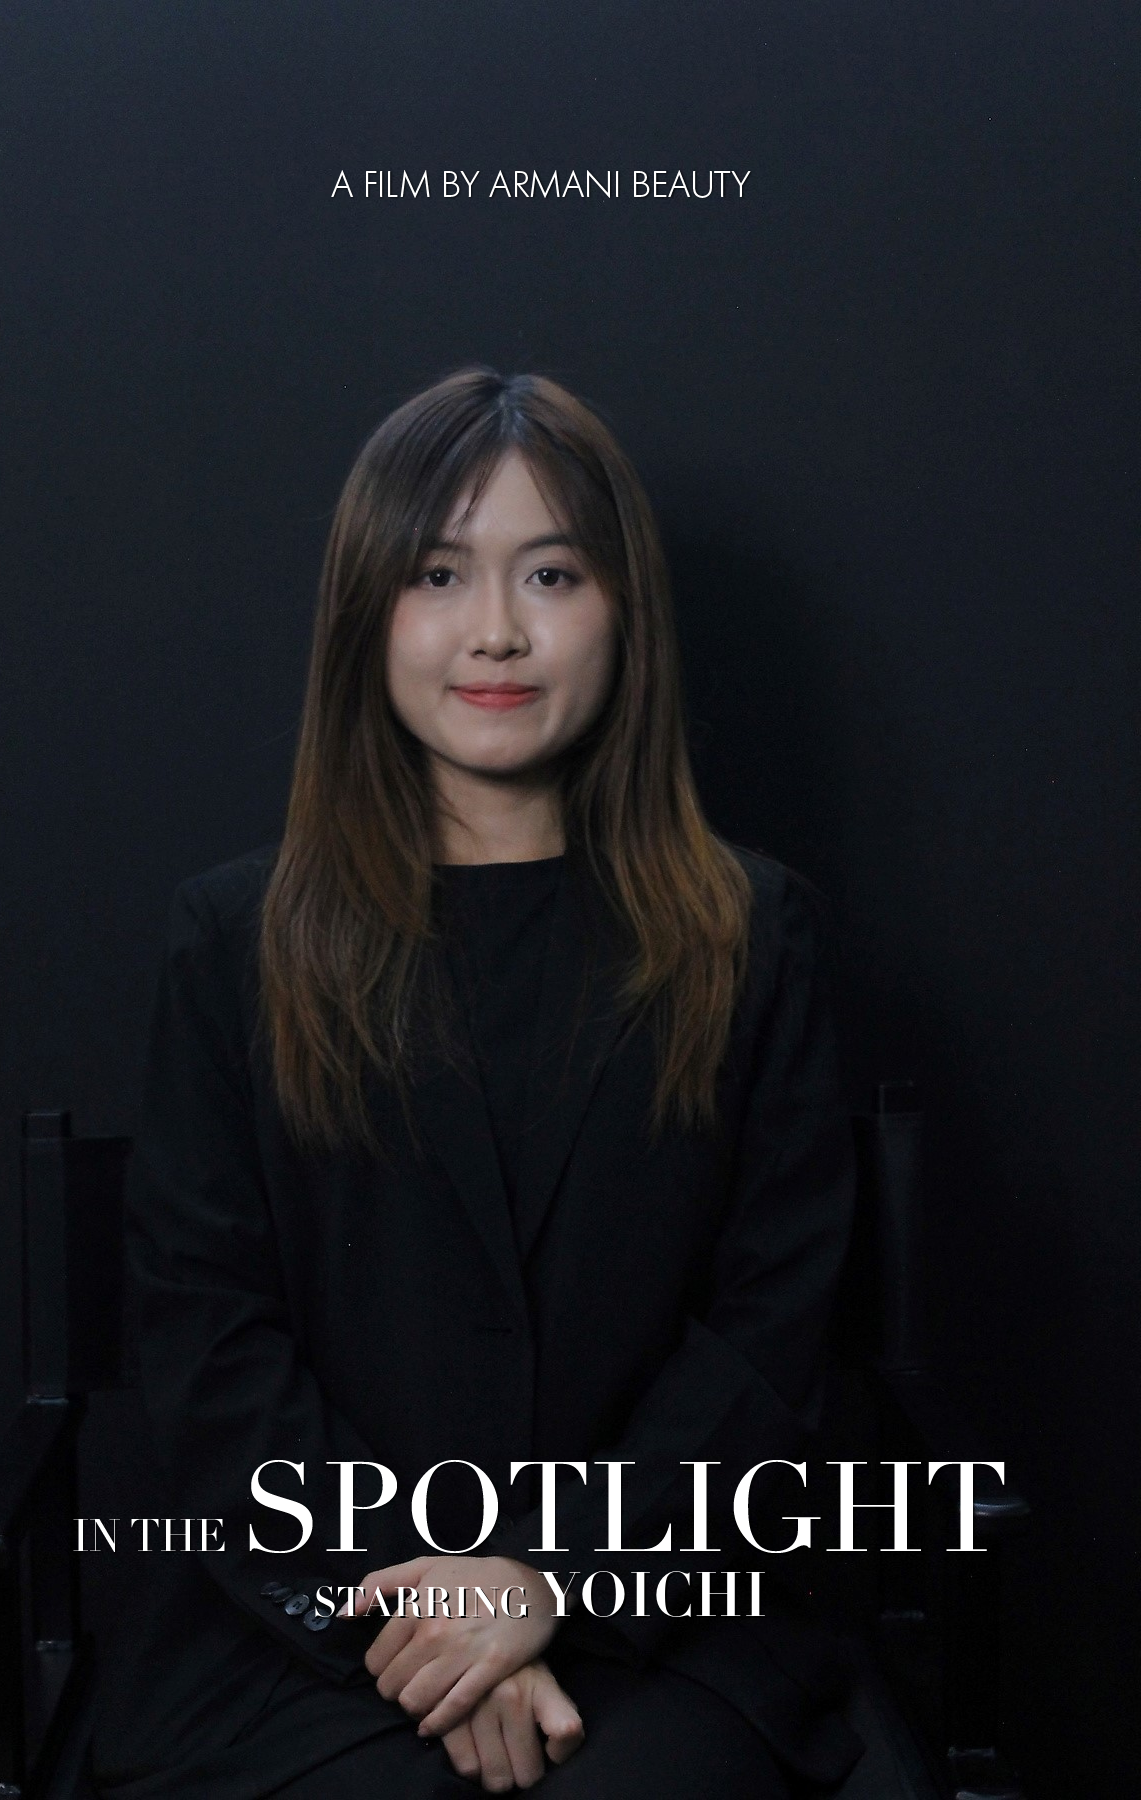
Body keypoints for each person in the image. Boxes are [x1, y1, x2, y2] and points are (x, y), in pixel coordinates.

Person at [91, 367, 868, 1796]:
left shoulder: (753, 934)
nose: (496, 629)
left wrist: (551, 1579)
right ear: (365, 614)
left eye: (552, 574)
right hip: (308, 1626)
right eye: (438, 574)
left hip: (662, 1615)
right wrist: (432, 1615)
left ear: (625, 614)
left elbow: (772, 1335)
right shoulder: (236, 940)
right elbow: (208, 1338)